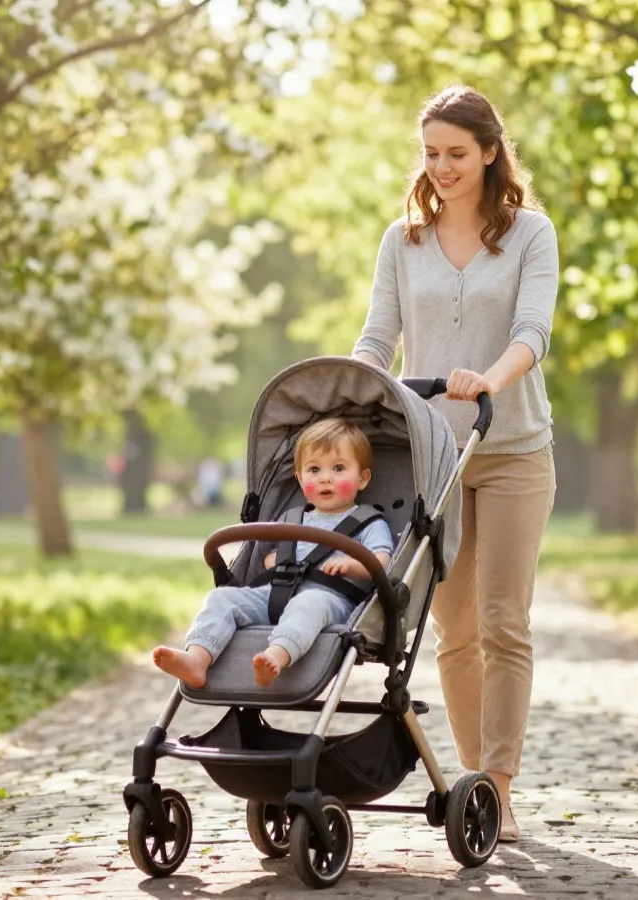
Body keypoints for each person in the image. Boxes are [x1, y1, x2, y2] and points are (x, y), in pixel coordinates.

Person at [352, 85, 558, 843]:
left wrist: (487, 381)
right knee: (454, 631)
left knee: (505, 622)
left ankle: (498, 788)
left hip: (512, 452)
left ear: (491, 152)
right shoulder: (401, 240)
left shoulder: (531, 234)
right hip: (432, 457)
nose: (441, 167)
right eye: (432, 153)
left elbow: (533, 331)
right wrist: (353, 386)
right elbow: (378, 336)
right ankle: (473, 782)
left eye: (457, 154)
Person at [152, 418, 394, 689]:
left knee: (309, 602)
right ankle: (197, 657)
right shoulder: (290, 518)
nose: (325, 477)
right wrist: (277, 563)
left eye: (338, 468)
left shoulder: (369, 522)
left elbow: (381, 562)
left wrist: (352, 564)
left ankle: (275, 657)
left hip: (330, 601)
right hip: (275, 594)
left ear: (362, 478)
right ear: (301, 479)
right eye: (314, 469)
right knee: (222, 597)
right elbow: (269, 556)